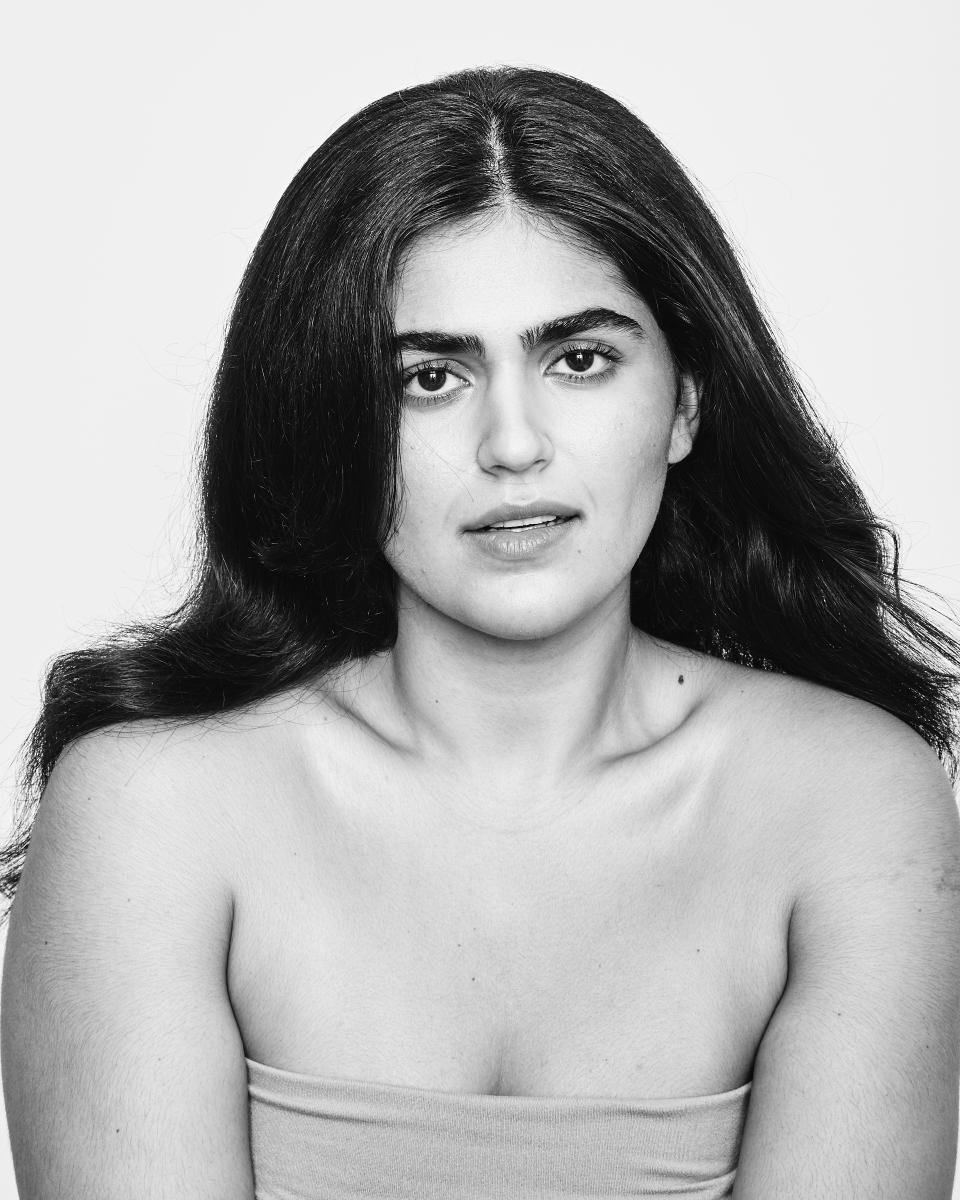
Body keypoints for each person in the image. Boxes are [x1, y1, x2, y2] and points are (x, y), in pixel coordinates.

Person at [2, 65, 959, 1200]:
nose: (513, 443)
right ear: (333, 422)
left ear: (687, 401)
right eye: (429, 377)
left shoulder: (850, 806)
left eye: (580, 360)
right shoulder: (150, 814)